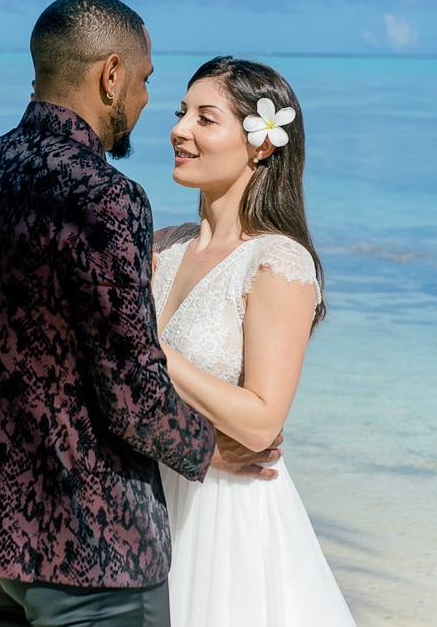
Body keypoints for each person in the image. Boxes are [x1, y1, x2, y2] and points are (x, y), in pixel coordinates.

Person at [0, 0, 274, 627]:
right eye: (147, 81)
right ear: (110, 76)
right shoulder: (104, 198)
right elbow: (129, 383)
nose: (147, 103)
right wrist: (209, 448)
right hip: (83, 541)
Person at [154, 57, 357, 626]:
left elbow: (263, 421)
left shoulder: (277, 261)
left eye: (205, 118)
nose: (180, 129)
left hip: (227, 509)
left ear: (262, 145)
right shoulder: (160, 247)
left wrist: (155, 356)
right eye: (181, 113)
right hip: (151, 492)